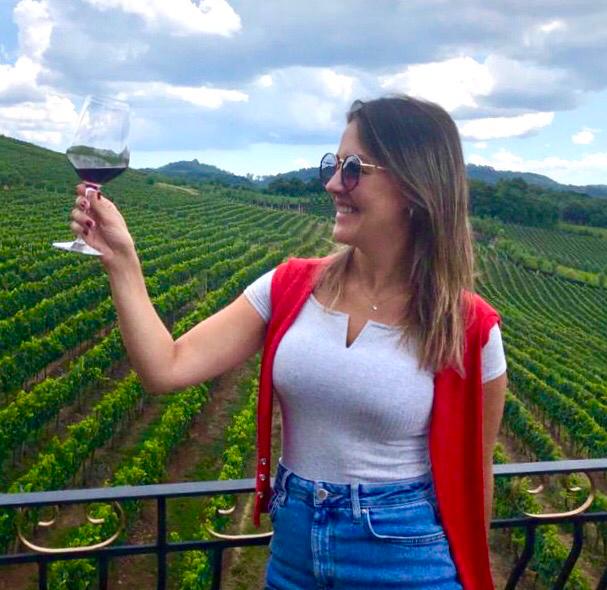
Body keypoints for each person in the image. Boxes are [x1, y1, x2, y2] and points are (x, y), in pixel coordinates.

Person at [70, 94, 507, 590]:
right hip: (294, 552)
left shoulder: (468, 328)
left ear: (415, 186)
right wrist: (121, 261)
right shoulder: (289, 286)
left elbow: (475, 479)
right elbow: (165, 367)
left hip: (404, 558)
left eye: (353, 170)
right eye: (332, 165)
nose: (332, 184)